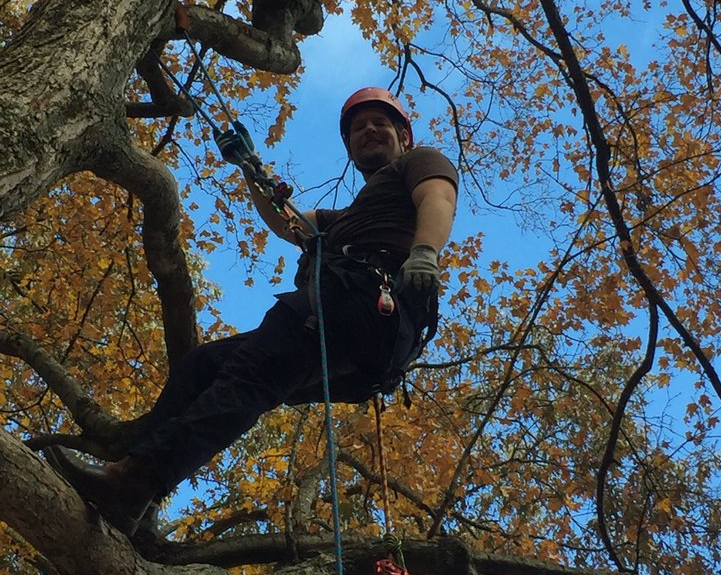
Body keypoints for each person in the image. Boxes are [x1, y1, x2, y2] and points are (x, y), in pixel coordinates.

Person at [48, 87, 458, 536]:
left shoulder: (418, 162)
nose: (369, 131)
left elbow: (437, 199)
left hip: (364, 301)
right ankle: (139, 499)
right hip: (353, 333)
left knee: (254, 374)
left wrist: (423, 252)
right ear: (350, 148)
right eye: (359, 128)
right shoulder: (345, 219)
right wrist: (248, 168)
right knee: (204, 367)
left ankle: (135, 481)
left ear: (404, 135)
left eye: (380, 123)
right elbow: (291, 224)